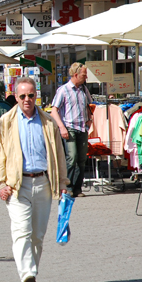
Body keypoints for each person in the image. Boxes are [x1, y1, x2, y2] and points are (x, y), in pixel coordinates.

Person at [0, 76, 68, 282]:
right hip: (17, 184)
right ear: (15, 97)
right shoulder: (6, 122)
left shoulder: (47, 122)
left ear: (36, 96)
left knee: (38, 235)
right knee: (21, 231)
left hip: (43, 182)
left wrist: (62, 182)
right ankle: (27, 274)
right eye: (22, 95)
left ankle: (31, 272)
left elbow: (58, 154)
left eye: (31, 95)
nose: (27, 99)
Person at [50, 62, 92, 198]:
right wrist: (61, 127)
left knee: (81, 159)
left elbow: (89, 105)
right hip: (70, 128)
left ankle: (77, 188)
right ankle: (66, 187)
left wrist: (90, 117)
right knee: (71, 157)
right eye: (84, 75)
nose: (86, 78)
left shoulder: (84, 90)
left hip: (82, 128)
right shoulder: (63, 90)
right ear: (75, 75)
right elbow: (54, 111)